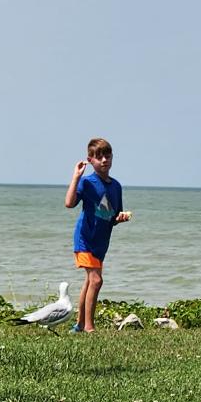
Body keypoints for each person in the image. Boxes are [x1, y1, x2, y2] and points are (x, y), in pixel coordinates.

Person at [64, 137, 130, 332]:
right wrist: (76, 177)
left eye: (107, 156)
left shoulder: (116, 186)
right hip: (85, 239)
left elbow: (112, 216)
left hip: (101, 243)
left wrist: (120, 218)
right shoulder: (87, 182)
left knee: (89, 281)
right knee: (96, 280)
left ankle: (79, 324)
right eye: (99, 157)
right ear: (90, 160)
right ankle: (89, 328)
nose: (104, 160)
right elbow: (69, 203)